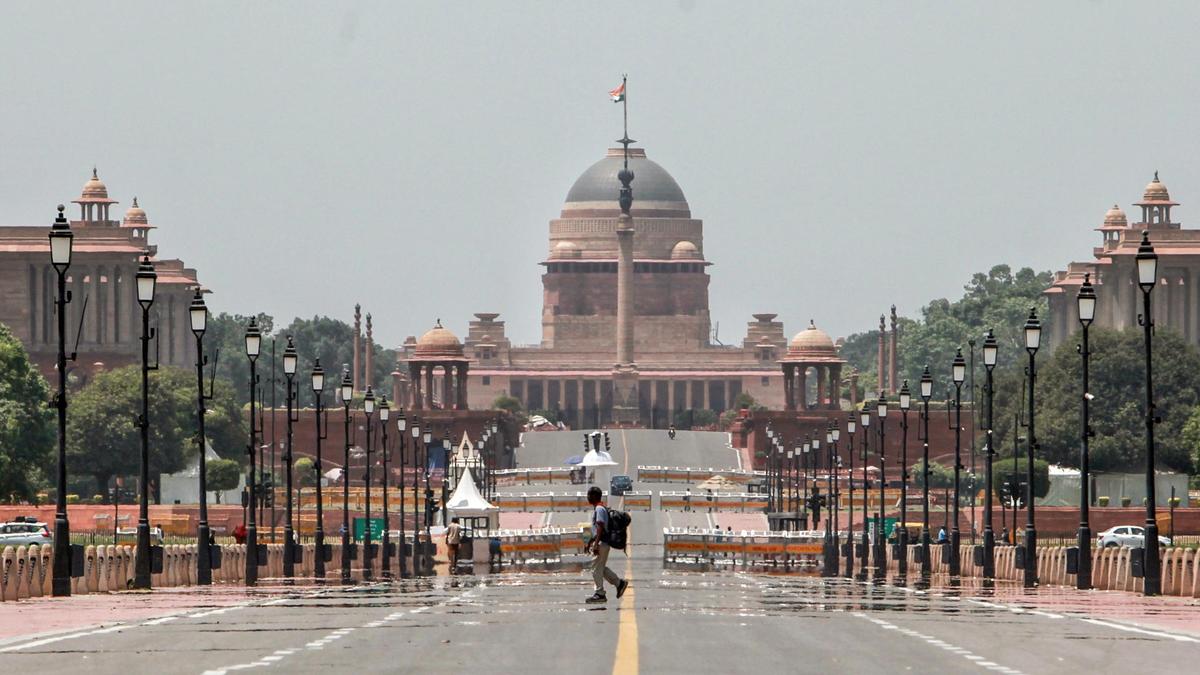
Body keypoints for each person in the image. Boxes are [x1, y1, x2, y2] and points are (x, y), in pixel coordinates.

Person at [585, 486, 628, 603]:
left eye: (589, 495)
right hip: (602, 542)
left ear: (594, 496)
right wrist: (590, 542)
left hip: (602, 543)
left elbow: (600, 527)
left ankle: (600, 593)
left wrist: (596, 544)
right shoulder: (600, 508)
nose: (587, 497)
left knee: (595, 569)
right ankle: (619, 583)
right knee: (601, 568)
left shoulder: (599, 509)